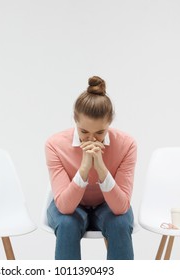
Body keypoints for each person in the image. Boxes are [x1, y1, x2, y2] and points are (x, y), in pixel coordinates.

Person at [45, 76, 137, 260]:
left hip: (108, 205)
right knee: (67, 223)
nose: (92, 140)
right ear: (75, 121)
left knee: (119, 223)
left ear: (109, 124)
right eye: (84, 132)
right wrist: (85, 168)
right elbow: (64, 206)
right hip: (71, 206)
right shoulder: (55, 145)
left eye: (100, 133)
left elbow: (120, 208)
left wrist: (101, 167)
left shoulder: (127, 145)